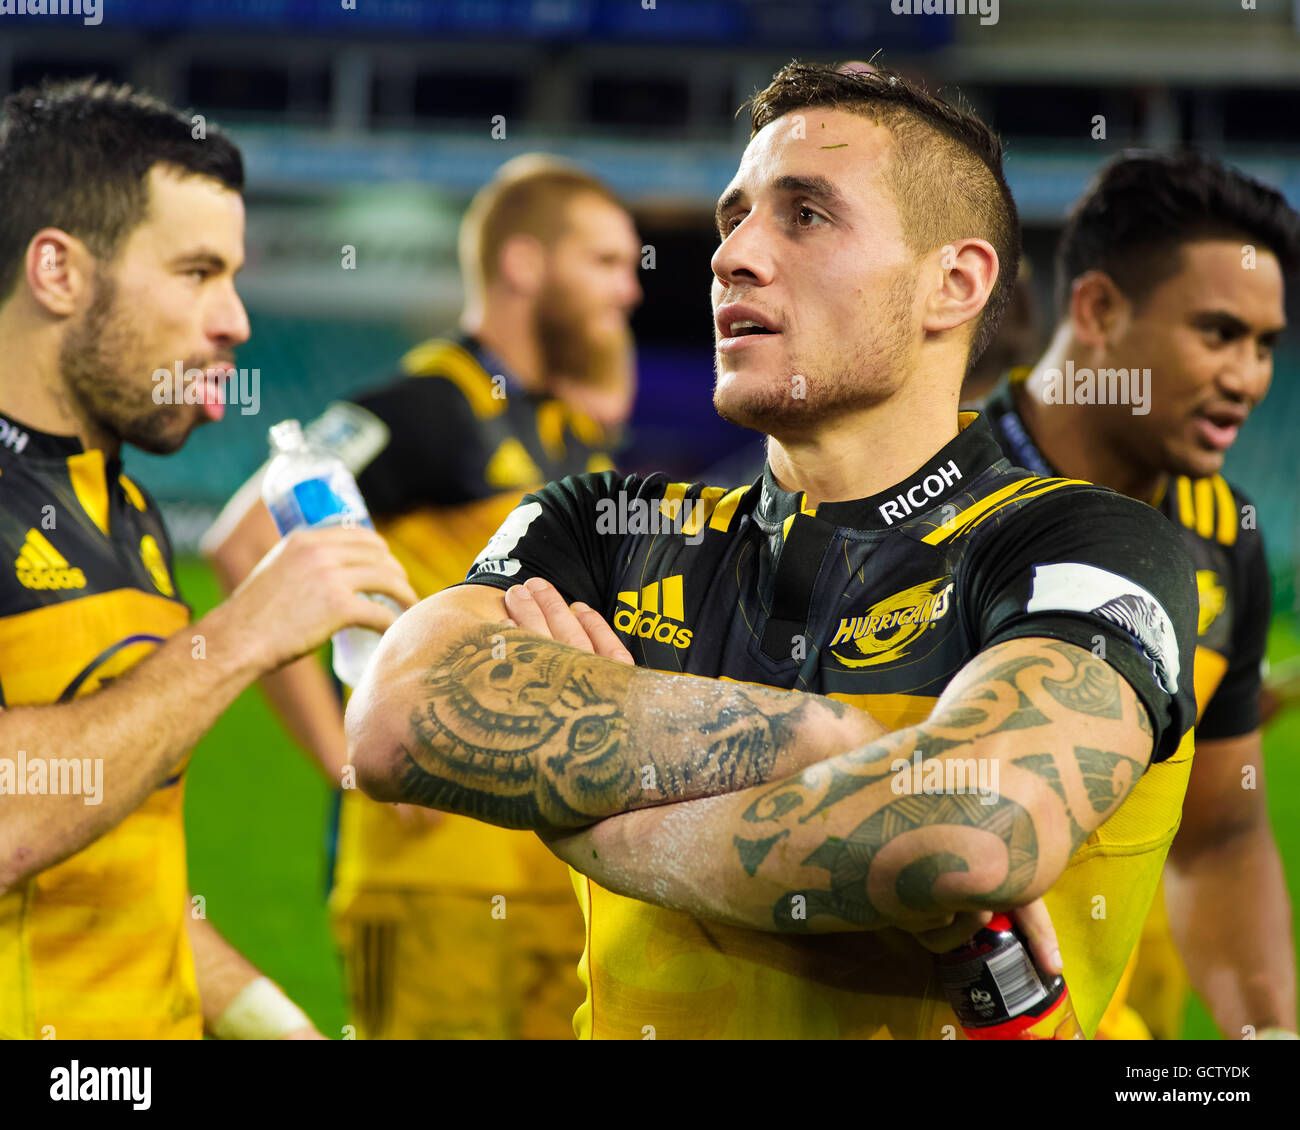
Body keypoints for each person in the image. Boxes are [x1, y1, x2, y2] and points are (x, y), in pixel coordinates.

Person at [345, 61, 1201, 1040]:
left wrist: (593, 813)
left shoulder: (1086, 543)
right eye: (732, 216)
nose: (733, 255)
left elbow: (970, 832)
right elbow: (398, 721)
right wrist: (830, 744)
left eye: (805, 215)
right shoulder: (605, 523)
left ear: (952, 283)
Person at [0, 78, 416, 1040]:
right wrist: (242, 634)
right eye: (196, 273)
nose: (235, 320)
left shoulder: (130, 511)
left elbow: (109, 868)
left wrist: (279, 1026)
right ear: (57, 273)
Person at [203, 155, 642, 1038]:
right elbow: (244, 535)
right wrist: (348, 758)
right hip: (435, 867)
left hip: (552, 867)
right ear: (523, 264)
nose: (629, 291)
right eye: (603, 262)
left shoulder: (552, 424)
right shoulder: (426, 408)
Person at [979, 150, 1299, 1040]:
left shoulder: (1222, 531)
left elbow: (1221, 836)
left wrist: (1267, 1035)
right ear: (1098, 310)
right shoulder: (930, 484)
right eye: (1219, 333)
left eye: (1266, 345)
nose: (1248, 378)